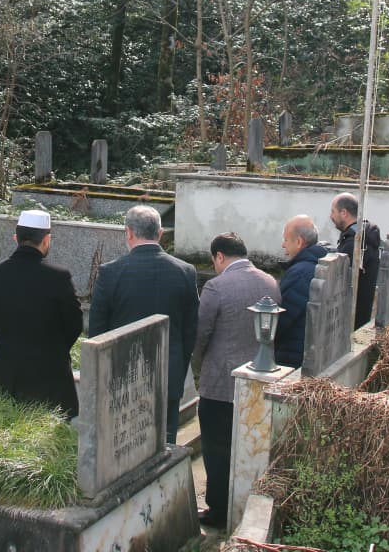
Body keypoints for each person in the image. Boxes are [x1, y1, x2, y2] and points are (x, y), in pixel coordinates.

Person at [88, 205, 198, 443]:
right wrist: (178, 366)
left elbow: (97, 332)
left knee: (122, 445)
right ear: (160, 233)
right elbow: (190, 331)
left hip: (122, 375)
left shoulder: (110, 273)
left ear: (128, 233)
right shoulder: (185, 271)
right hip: (168, 371)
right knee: (165, 443)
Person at [192, 232, 280, 529]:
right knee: (249, 446)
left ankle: (218, 510)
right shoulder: (270, 282)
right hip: (259, 377)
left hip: (220, 382)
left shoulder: (216, 286)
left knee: (217, 449)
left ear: (219, 256)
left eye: (214, 260)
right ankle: (246, 502)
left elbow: (201, 333)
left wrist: (197, 366)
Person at [0, 209, 83, 416]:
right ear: (46, 240)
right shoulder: (58, 277)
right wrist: (55, 349)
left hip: (7, 375)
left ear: (16, 238)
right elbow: (75, 325)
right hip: (50, 377)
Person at [273, 215, 327, 369]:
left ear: (299, 242)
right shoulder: (320, 264)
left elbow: (282, 317)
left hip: (293, 355)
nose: (283, 245)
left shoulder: (300, 273)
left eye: (286, 240)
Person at [330, 192, 382, 329]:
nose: (331, 216)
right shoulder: (364, 234)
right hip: (362, 312)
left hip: (352, 318)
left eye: (333, 211)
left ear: (344, 213)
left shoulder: (354, 243)